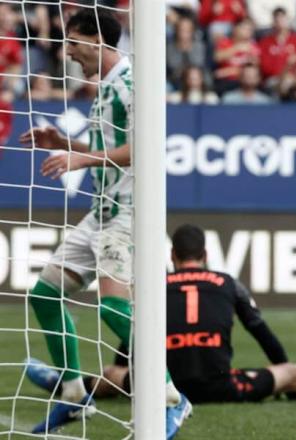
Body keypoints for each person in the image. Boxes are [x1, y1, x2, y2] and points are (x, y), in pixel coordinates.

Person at [20, 9, 190, 438]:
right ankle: (75, 394)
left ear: (98, 40)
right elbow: (107, 145)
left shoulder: (133, 83)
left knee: (114, 305)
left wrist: (80, 158)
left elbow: (142, 147)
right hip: (101, 212)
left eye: (74, 42)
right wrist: (66, 143)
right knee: (44, 295)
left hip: (130, 212)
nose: (69, 52)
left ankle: (170, 394)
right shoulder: (105, 87)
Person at [30, 224, 296, 404]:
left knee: (113, 372)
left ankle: (67, 384)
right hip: (221, 385)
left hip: (161, 386)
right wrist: (281, 372)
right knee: (293, 373)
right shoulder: (227, 281)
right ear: (205, 255)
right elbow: (260, 331)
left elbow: (131, 335)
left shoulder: (156, 284)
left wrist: (132, 374)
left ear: (173, 257)